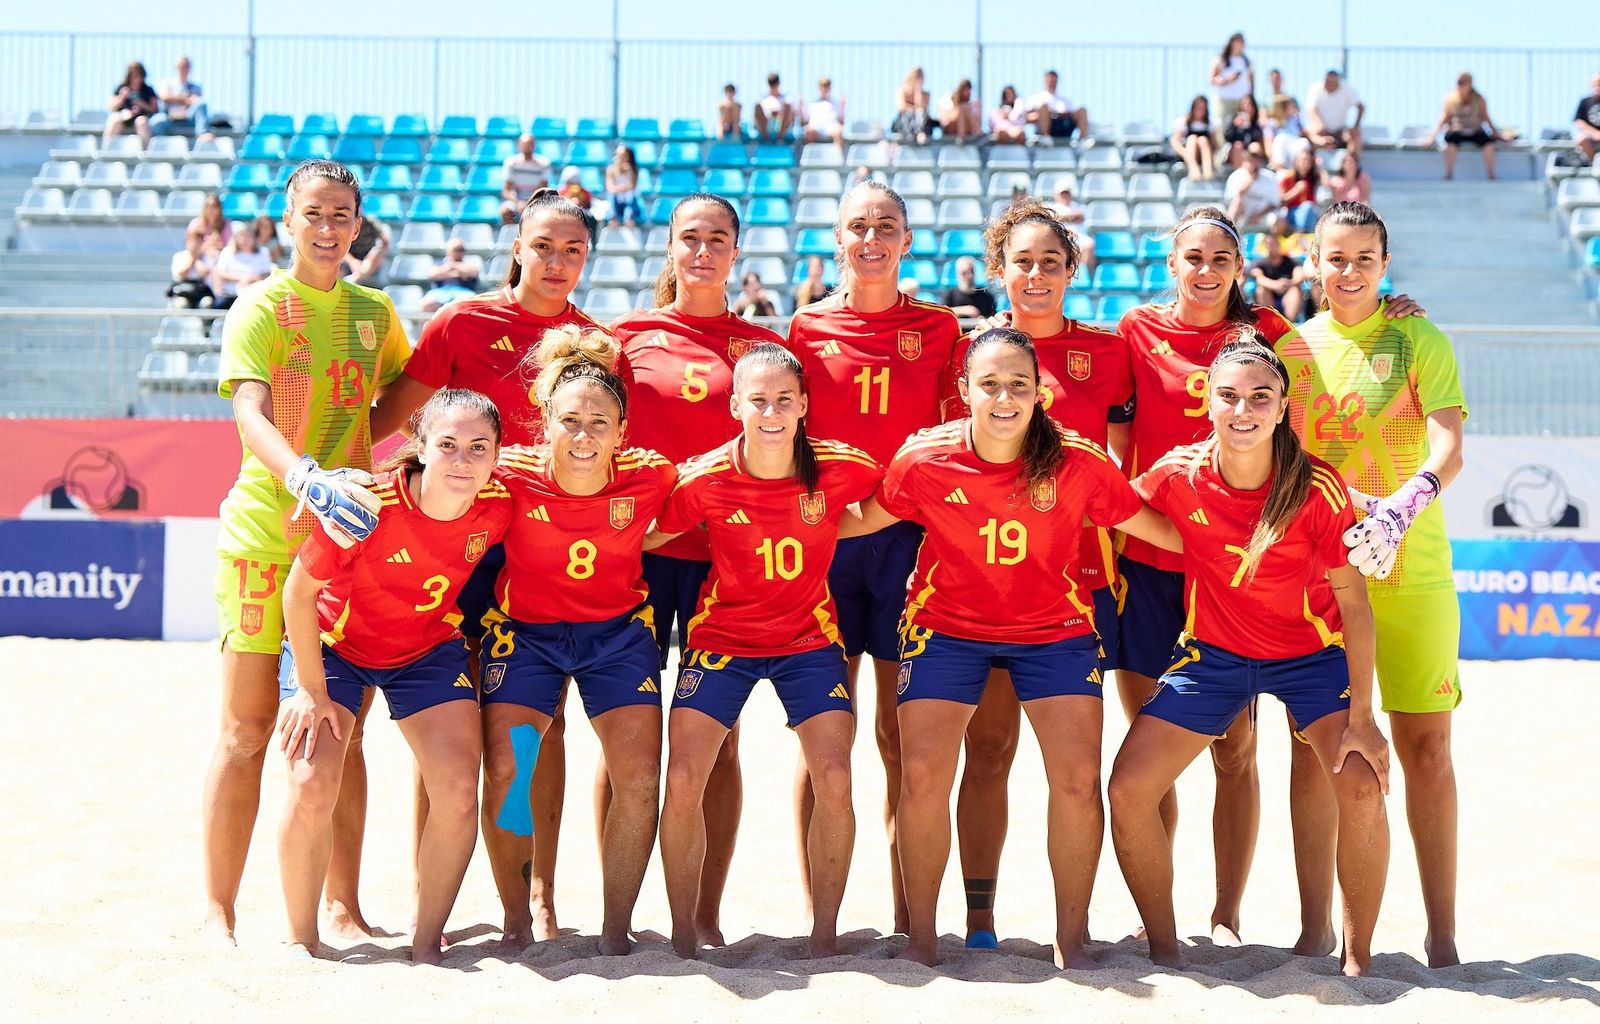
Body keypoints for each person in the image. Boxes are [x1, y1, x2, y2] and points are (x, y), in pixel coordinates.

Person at [839, 327, 1177, 967]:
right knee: (922, 777)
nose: (1004, 397)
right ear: (963, 389)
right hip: (946, 629)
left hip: (1054, 631)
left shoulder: (1079, 460)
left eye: (1019, 384)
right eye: (989, 384)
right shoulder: (924, 458)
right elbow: (860, 520)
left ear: (1041, 392)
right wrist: (770, 513)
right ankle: (921, 939)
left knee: (1077, 782)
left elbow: (1158, 528)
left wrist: (1259, 538)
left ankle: (1071, 941)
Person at [1109, 336, 1391, 975]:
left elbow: (1354, 605)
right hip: (1214, 656)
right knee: (1128, 789)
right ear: (1207, 402)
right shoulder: (1178, 473)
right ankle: (1164, 950)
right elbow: (1122, 509)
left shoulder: (1316, 485)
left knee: (1363, 786)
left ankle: (1357, 962)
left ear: (1284, 407)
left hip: (1311, 656)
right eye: (1229, 395)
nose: (1244, 409)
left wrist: (1364, 716)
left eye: (1261, 397)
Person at [377, 187, 603, 944]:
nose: (557, 261)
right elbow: (390, 426)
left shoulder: (593, 344)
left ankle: (536, 893)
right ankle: (429, 894)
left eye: (573, 249)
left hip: (537, 552)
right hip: (452, 548)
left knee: (539, 731)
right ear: (516, 247)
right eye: (544, 245)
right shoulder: (463, 322)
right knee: (438, 723)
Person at [202, 159, 415, 946]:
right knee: (246, 729)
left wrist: (367, 457)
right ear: (288, 220)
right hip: (265, 537)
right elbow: (250, 413)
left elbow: (406, 395)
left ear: (358, 224)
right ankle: (219, 911)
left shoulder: (375, 311)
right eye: (313, 214)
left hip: (345, 548)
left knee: (338, 732)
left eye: (341, 216)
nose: (327, 228)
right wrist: (305, 476)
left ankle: (342, 906)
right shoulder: (260, 305)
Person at [1278, 200, 1467, 968]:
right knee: (1315, 752)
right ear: (1313, 262)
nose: (1349, 271)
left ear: (1385, 265)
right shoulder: (1292, 349)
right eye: (1336, 257)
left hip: (1413, 574)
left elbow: (1450, 446)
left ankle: (1442, 937)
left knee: (1428, 750)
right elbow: (1279, 458)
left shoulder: (1419, 337)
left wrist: (1401, 506)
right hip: (1322, 580)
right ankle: (1315, 929)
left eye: (1365, 258)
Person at [943, 200, 1136, 950]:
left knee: (1083, 765)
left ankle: (1079, 930)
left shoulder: (1109, 350)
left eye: (1050, 262)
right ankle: (980, 920)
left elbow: (1121, 461)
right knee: (989, 749)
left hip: (1082, 580)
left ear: (1071, 271)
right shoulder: (967, 350)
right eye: (1021, 261)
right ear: (999, 268)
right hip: (987, 579)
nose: (1035, 274)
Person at [650, 343, 881, 959]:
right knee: (683, 778)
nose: (772, 412)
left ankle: (824, 935)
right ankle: (684, 933)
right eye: (758, 400)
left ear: (804, 404)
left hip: (808, 640)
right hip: (722, 639)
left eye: (784, 399)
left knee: (835, 777)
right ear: (735, 407)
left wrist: (835, 526)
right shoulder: (703, 479)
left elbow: (890, 502)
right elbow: (648, 535)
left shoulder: (841, 466)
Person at [276, 388, 512, 963]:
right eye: (448, 444)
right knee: (311, 787)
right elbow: (298, 593)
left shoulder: (499, 503)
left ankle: (426, 942)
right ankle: (303, 940)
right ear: (421, 447)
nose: (462, 460)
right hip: (335, 649)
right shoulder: (366, 505)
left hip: (426, 651)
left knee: (457, 792)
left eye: (478, 447)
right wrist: (310, 690)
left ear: (497, 454)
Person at [612, 193, 788, 948]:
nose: (704, 250)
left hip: (726, 564)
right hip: (639, 557)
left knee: (719, 742)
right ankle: (615, 913)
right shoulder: (625, 339)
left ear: (736, 251)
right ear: (671, 247)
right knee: (626, 741)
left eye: (719, 238)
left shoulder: (762, 347)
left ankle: (704, 911)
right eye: (691, 237)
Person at [788, 179, 963, 935]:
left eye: (885, 225)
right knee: (824, 734)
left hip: (908, 546)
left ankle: (904, 911)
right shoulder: (805, 326)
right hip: (828, 542)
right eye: (857, 225)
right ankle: (819, 913)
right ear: (837, 239)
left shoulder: (940, 327)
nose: (871, 238)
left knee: (900, 735)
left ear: (907, 241)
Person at [478, 326, 675, 956]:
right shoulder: (507, 473)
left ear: (622, 431)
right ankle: (519, 917)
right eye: (570, 421)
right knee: (510, 770)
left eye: (599, 423)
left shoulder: (653, 475)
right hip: (527, 638)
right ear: (544, 423)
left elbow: (697, 507)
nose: (584, 436)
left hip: (617, 637)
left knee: (638, 777)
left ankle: (615, 930)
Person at [1424, 73, 1504, 181]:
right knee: (1451, 144)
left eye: (1462, 82)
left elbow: (1485, 117)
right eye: (1458, 82)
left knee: (1489, 145)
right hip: (1457, 131)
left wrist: (1497, 134)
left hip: (1475, 131)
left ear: (1470, 83)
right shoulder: (1450, 98)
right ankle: (1449, 175)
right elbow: (1444, 118)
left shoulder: (1479, 99)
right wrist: (1432, 137)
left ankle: (1491, 175)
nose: (1459, 85)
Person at [211, 222, 274, 311]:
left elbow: (269, 272)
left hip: (255, 297)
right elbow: (220, 272)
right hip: (229, 296)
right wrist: (241, 278)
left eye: (248, 236)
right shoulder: (228, 252)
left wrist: (256, 278)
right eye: (242, 236)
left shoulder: (263, 252)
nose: (245, 239)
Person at [149, 55, 211, 140]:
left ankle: (202, 133)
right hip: (169, 118)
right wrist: (186, 100)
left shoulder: (196, 87)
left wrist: (175, 99)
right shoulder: (167, 83)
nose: (184, 69)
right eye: (182, 66)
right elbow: (165, 97)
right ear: (176, 67)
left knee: (202, 104)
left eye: (186, 66)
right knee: (156, 121)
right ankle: (161, 145)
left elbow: (196, 103)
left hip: (187, 119)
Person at [1305, 70, 1364, 156]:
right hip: (1322, 131)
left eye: (1332, 82)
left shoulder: (1347, 88)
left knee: (1355, 135)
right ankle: (1313, 158)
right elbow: (1311, 109)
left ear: (1338, 82)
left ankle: (1352, 161)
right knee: (1309, 132)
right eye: (1328, 82)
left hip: (1340, 130)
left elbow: (1360, 107)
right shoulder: (1315, 87)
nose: (1330, 85)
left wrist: (1355, 126)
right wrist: (1319, 123)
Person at [1249, 232, 1305, 322]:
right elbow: (1259, 278)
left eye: (1274, 244)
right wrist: (1276, 285)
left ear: (1279, 245)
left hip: (1288, 291)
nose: (1272, 247)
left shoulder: (1291, 262)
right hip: (1269, 293)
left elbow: (1299, 276)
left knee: (1295, 290)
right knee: (1262, 289)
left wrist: (1288, 283)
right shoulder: (1259, 263)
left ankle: (1290, 323)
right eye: (1269, 244)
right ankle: (1269, 321)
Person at [419, 238, 484, 313]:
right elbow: (434, 274)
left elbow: (472, 273)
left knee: (471, 305)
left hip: (463, 292)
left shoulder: (470, 264)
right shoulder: (439, 263)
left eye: (461, 250)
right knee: (426, 304)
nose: (459, 252)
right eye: (456, 250)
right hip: (441, 292)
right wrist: (457, 272)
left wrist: (449, 269)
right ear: (448, 251)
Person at [104, 61, 158, 151]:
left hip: (140, 117)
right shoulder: (121, 88)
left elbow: (155, 109)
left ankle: (145, 153)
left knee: (142, 122)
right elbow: (111, 107)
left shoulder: (148, 90)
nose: (136, 78)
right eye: (133, 75)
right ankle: (106, 151)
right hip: (122, 117)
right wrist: (121, 97)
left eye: (138, 75)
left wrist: (141, 104)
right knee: (114, 120)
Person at [1025, 70, 1089, 143]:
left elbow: (1074, 114)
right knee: (1043, 108)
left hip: (1064, 125)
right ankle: (1046, 139)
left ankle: (1083, 140)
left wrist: (1063, 115)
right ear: (1045, 81)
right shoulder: (1035, 98)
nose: (1052, 83)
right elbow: (1026, 118)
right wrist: (1045, 114)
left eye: (1054, 81)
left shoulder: (1065, 100)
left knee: (1082, 110)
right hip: (1048, 128)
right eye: (1050, 80)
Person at [501, 134, 552, 225]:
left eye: (529, 144)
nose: (527, 147)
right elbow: (506, 190)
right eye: (524, 144)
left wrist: (530, 203)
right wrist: (518, 203)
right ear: (519, 145)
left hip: (536, 200)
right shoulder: (511, 163)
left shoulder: (543, 163)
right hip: (516, 200)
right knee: (506, 211)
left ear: (533, 145)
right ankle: (509, 233)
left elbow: (543, 189)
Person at [1225, 150, 1281, 232]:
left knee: (1280, 222)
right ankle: (1227, 230)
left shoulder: (1269, 177)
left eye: (1255, 160)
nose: (1253, 164)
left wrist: (1258, 216)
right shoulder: (1236, 176)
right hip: (1243, 215)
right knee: (1237, 201)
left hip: (1264, 214)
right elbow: (1231, 201)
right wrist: (1249, 182)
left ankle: (1272, 239)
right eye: (1249, 160)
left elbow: (1274, 204)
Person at [1210, 33, 1255, 129]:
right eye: (1239, 41)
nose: (1242, 44)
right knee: (1222, 126)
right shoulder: (1220, 59)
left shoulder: (1247, 61)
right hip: (1224, 100)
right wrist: (1227, 80)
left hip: (1241, 101)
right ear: (1232, 43)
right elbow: (1212, 79)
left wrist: (1250, 98)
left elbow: (1252, 81)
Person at [1172, 95, 1217, 180]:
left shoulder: (1211, 123)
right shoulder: (1183, 121)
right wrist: (1185, 153)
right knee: (1192, 139)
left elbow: (1215, 144)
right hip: (1189, 154)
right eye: (1198, 108)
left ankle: (1208, 172)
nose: (1201, 111)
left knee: (1203, 140)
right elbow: (1175, 142)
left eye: (1203, 109)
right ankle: (1193, 170)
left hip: (1204, 154)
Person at [1279, 147, 1322, 232]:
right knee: (1307, 207)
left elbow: (1326, 183)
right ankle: (1301, 232)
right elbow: (1281, 201)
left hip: (1310, 212)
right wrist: (1296, 190)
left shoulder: (1313, 177)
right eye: (1301, 160)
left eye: (1307, 161)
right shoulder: (1288, 177)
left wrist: (1320, 167)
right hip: (1292, 212)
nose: (1304, 164)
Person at [168, 231, 214, 308]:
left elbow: (205, 273)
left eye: (199, 242)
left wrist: (196, 259)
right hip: (182, 291)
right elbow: (181, 274)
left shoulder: (205, 257)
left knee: (207, 302)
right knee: (181, 303)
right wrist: (192, 259)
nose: (195, 245)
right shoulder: (179, 256)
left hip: (200, 291)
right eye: (193, 242)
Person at [342, 215, 390, 287]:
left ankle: (355, 278)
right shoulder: (346, 224)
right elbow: (340, 246)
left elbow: (385, 244)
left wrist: (379, 230)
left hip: (368, 262)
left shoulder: (372, 222)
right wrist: (353, 262)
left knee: (376, 252)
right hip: (349, 261)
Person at [1223, 94, 1266, 168]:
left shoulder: (1256, 125)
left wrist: (1248, 125)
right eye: (1244, 104)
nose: (1246, 107)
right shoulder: (1234, 121)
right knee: (1238, 145)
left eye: (1249, 105)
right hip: (1235, 153)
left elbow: (1256, 138)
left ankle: (1255, 170)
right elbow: (1227, 137)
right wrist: (1234, 126)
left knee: (1255, 146)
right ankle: (1238, 171)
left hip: (1249, 152)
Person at [605, 145, 642, 229]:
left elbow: (632, 186)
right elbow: (610, 188)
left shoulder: (632, 169)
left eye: (623, 156)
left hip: (629, 201)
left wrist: (629, 171)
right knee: (611, 196)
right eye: (618, 155)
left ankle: (629, 218)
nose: (620, 158)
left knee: (630, 197)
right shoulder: (611, 169)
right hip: (617, 202)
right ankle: (613, 218)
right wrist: (621, 188)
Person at [893, 67, 931, 145]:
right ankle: (914, 135)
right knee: (909, 115)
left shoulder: (925, 94)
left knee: (920, 114)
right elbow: (902, 107)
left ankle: (920, 133)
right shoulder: (902, 91)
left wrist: (918, 92)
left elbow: (923, 109)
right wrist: (915, 108)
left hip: (920, 122)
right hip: (904, 122)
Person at [188, 193, 233, 260]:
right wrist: (208, 245)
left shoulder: (226, 225)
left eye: (214, 206)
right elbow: (190, 248)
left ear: (219, 209)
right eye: (207, 206)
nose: (210, 209)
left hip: (219, 258)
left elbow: (228, 247)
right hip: (196, 259)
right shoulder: (195, 223)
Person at [802, 77, 845, 145]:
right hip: (816, 127)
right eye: (822, 86)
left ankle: (839, 152)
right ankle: (809, 151)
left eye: (826, 86)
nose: (824, 89)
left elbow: (841, 122)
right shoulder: (812, 104)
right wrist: (802, 107)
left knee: (839, 132)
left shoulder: (836, 103)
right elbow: (805, 122)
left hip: (831, 126)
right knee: (808, 132)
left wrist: (843, 108)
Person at [937, 79, 981, 146]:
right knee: (962, 109)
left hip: (966, 129)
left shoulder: (969, 105)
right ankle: (968, 136)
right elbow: (944, 119)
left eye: (968, 90)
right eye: (965, 90)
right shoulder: (948, 99)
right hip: (949, 128)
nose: (967, 93)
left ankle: (976, 134)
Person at [754, 72, 795, 142]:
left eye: (775, 83)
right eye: (771, 84)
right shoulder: (762, 99)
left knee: (788, 106)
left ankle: (780, 138)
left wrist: (779, 114)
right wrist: (770, 114)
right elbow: (757, 116)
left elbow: (791, 116)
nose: (773, 86)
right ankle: (766, 138)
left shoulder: (786, 98)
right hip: (766, 125)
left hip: (782, 126)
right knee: (757, 106)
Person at [1572, 72, 1600, 163]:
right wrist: (1595, 133)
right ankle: (1593, 163)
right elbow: (1579, 122)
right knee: (1581, 139)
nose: (1597, 86)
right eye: (1595, 84)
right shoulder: (1585, 102)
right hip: (1591, 137)